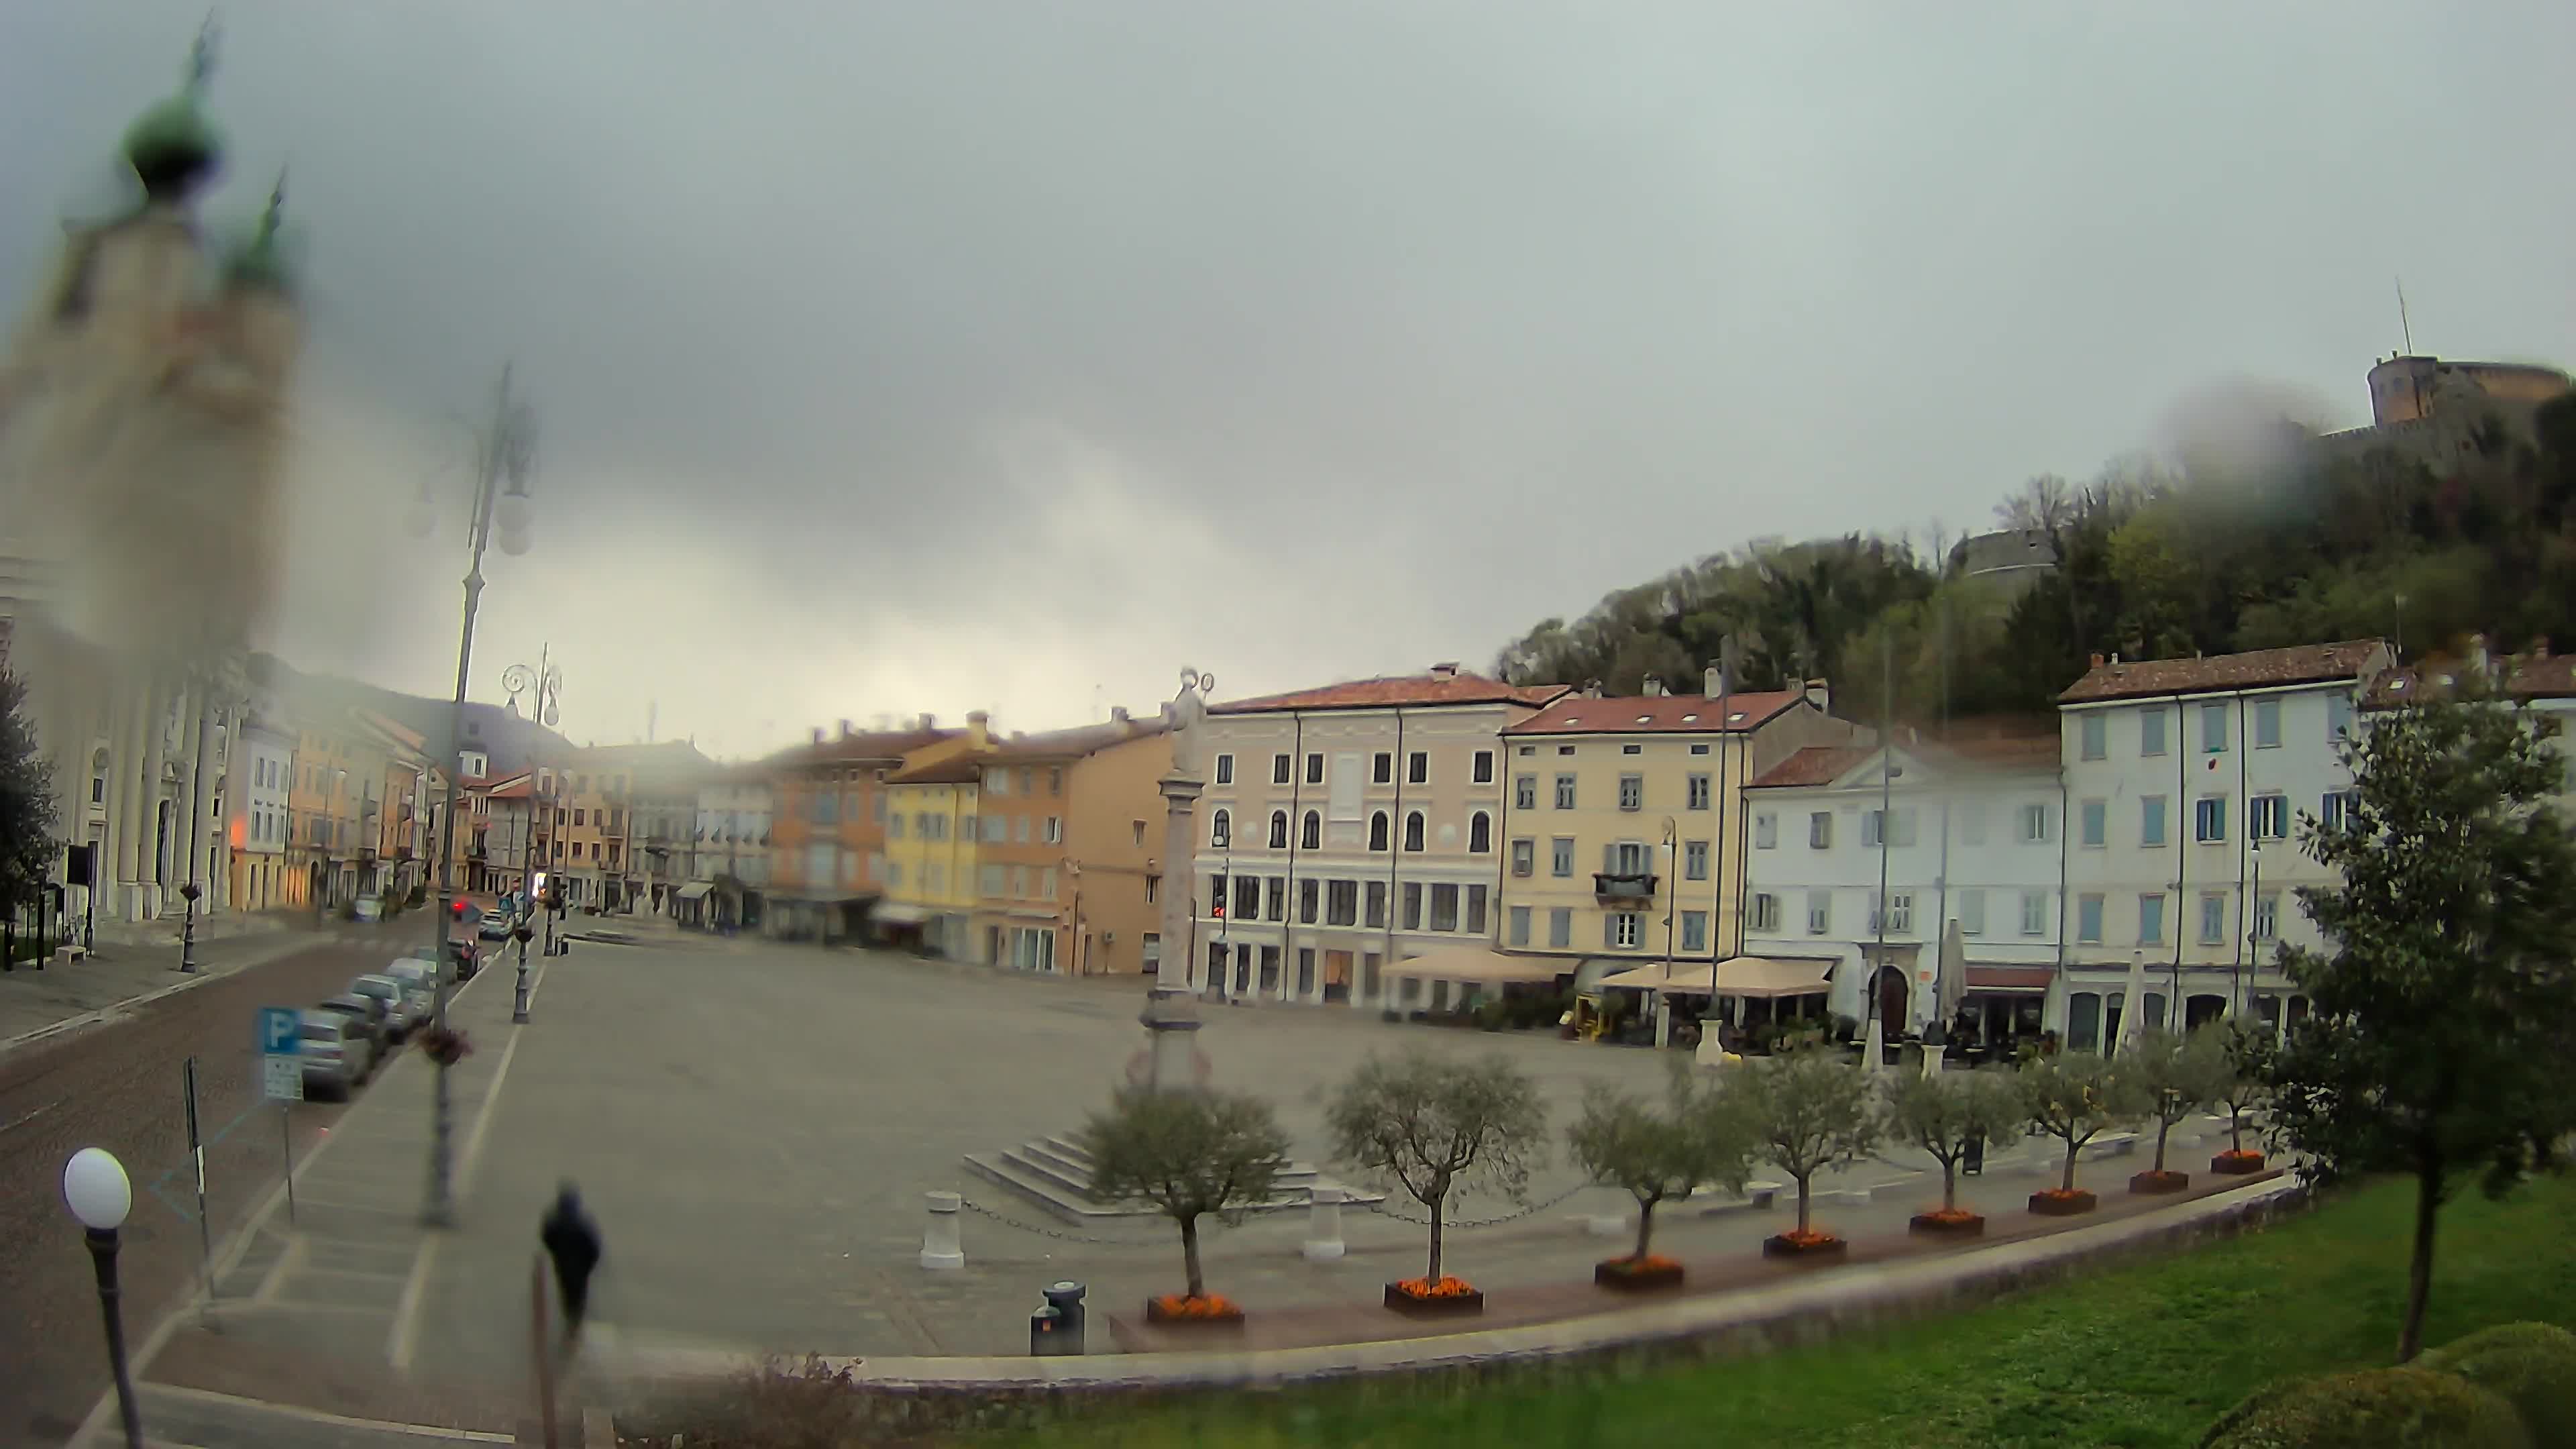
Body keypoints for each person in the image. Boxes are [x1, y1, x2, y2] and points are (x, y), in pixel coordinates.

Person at [539, 1183, 602, 1341]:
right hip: (581, 1267)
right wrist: (589, 1265)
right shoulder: (583, 1224)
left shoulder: (554, 1221)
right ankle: (576, 1320)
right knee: (579, 1294)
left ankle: (569, 1315)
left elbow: (547, 1238)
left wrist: (556, 1254)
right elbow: (594, 1247)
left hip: (562, 1264)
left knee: (566, 1291)